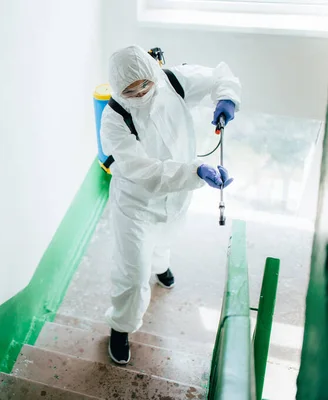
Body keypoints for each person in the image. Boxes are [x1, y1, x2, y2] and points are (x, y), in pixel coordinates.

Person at [100, 45, 241, 365]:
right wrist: (196, 172)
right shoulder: (114, 119)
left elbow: (220, 74)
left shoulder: (173, 81)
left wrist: (226, 97)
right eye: (129, 90)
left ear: (153, 73)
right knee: (133, 274)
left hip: (176, 195)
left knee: (166, 238)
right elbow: (145, 173)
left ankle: (161, 266)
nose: (139, 93)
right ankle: (120, 327)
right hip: (136, 205)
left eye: (144, 84)